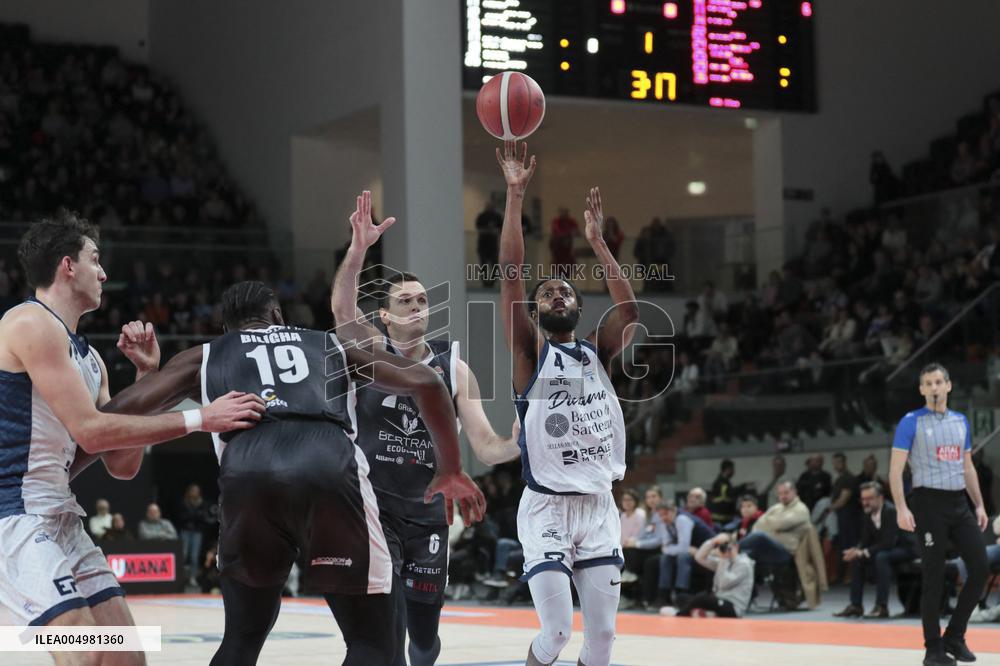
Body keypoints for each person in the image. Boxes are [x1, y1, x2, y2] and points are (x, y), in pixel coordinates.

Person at [80, 280, 487, 666]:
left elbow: (109, 418)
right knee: (374, 645)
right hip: (327, 471)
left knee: (241, 639)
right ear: (277, 315)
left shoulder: (208, 354)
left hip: (249, 478)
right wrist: (450, 468)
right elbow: (427, 383)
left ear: (228, 328)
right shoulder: (327, 345)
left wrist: (65, 470)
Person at [0, 213, 262, 665]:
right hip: (13, 515)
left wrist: (147, 377)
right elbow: (91, 429)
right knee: (82, 650)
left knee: (126, 656)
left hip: (60, 515)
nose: (103, 273)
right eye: (95, 260)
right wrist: (200, 418)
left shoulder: (92, 360)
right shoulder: (29, 323)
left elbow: (122, 465)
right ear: (67, 266)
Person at [331, 190, 519, 666]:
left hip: (428, 514)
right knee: (386, 621)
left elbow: (487, 447)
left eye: (422, 300)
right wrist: (358, 251)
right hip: (375, 510)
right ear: (385, 316)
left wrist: (522, 436)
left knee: (424, 633)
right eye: (405, 301)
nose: (418, 306)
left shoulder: (453, 367)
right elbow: (342, 312)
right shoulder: (369, 353)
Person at [497, 141, 638, 666]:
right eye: (547, 294)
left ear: (578, 306)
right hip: (549, 506)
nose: (557, 296)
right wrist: (515, 197)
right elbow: (511, 275)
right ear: (536, 311)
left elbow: (629, 310)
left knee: (602, 641)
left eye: (565, 292)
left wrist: (599, 246)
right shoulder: (530, 354)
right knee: (556, 633)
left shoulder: (597, 350)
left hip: (599, 506)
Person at [890, 363, 989, 666]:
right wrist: (902, 508)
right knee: (933, 576)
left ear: (948, 386)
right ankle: (933, 648)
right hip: (928, 503)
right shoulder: (911, 422)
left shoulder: (961, 422)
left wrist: (980, 504)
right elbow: (895, 470)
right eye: (928, 383)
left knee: (981, 568)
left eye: (938, 382)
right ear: (921, 389)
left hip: (959, 502)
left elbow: (967, 466)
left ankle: (954, 637)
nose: (933, 387)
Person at [834, 482, 916, 619]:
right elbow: (865, 540)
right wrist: (857, 550)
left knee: (881, 557)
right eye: (863, 499)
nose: (865, 502)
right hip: (887, 549)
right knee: (857, 559)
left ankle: (881, 606)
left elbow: (889, 542)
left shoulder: (891, 511)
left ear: (880, 498)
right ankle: (856, 605)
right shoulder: (868, 514)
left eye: (869, 498)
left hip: (906, 548)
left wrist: (864, 552)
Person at [663, 533, 753, 618]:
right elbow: (699, 557)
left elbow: (724, 584)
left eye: (728, 547)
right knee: (681, 597)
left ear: (736, 547)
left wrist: (724, 559)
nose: (725, 549)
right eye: (722, 547)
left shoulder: (744, 564)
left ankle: (680, 615)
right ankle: (706, 613)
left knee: (702, 598)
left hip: (733, 607)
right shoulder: (724, 562)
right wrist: (713, 542)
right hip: (719, 600)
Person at [740, 481, 810, 567]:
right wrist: (774, 526)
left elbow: (779, 524)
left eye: (786, 493)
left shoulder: (800, 509)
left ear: (794, 492)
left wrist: (769, 522)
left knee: (759, 535)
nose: (783, 496)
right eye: (780, 493)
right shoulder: (776, 507)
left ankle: (733, 547)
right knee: (744, 554)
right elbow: (757, 525)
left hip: (785, 551)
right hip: (768, 546)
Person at [176, 483, 210, 586]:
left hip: (197, 532)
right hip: (185, 530)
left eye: (196, 490)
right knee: (184, 554)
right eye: (193, 490)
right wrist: (192, 517)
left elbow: (203, 518)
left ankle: (193, 577)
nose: (194, 492)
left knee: (194, 556)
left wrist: (194, 517)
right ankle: (180, 577)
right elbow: (181, 517)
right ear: (189, 492)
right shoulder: (183, 503)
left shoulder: (202, 503)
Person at [475, 200, 502, 287]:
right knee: (483, 265)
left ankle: (492, 282)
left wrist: (495, 231)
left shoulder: (497, 217)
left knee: (494, 265)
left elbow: (501, 229)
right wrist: (488, 231)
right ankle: (485, 283)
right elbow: (479, 228)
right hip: (483, 245)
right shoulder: (481, 216)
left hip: (493, 245)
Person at [708, 460, 738, 526]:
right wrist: (742, 488)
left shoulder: (726, 482)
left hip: (725, 517)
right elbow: (728, 495)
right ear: (727, 469)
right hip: (720, 518)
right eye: (732, 469)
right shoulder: (721, 483)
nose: (733, 472)